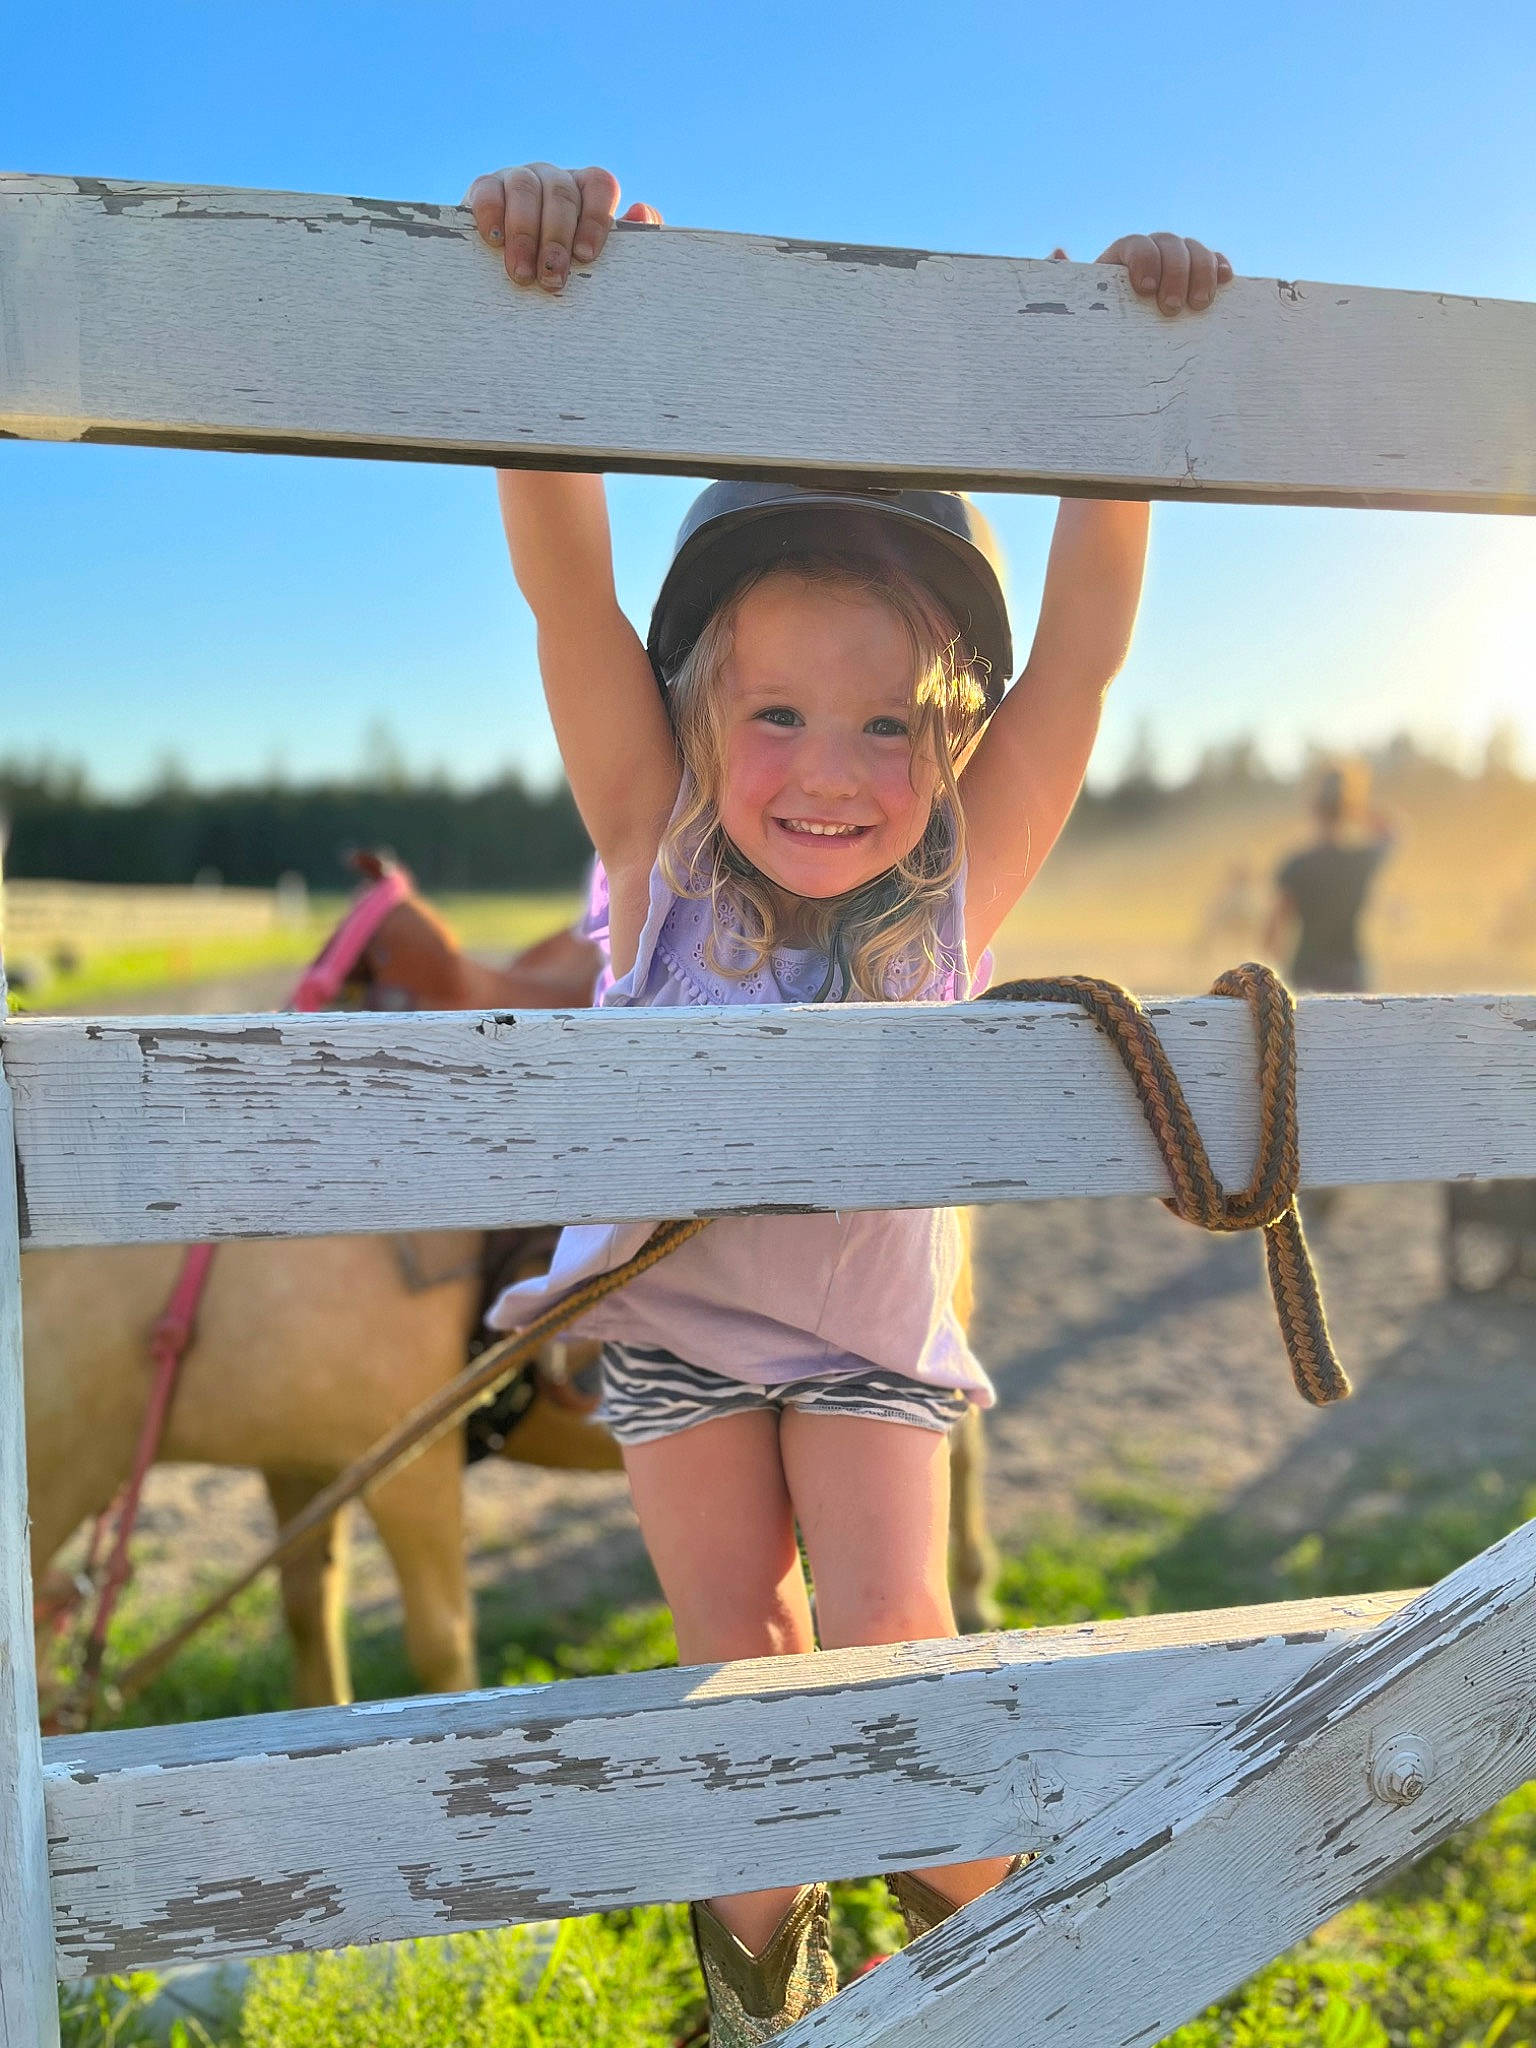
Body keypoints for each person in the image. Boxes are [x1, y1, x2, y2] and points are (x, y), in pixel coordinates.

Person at [468, 159, 1230, 2044]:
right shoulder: (655, 847)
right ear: (699, 719)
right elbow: (564, 590)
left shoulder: (963, 874)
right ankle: (763, 1999)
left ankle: (1027, 1971)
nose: (834, 771)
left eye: (889, 722)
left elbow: (1086, 645)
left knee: (894, 1636)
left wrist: (1113, 377)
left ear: (949, 737)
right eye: (781, 716)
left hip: (874, 1339)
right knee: (742, 1654)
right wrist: (554, 319)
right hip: (677, 1328)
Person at [1265, 762, 1395, 994]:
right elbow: (1392, 833)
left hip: (1307, 976)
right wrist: (1358, 808)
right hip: (1352, 976)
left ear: (1314, 808)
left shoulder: (1296, 865)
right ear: (1349, 809)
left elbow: (1272, 934)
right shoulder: (1361, 860)